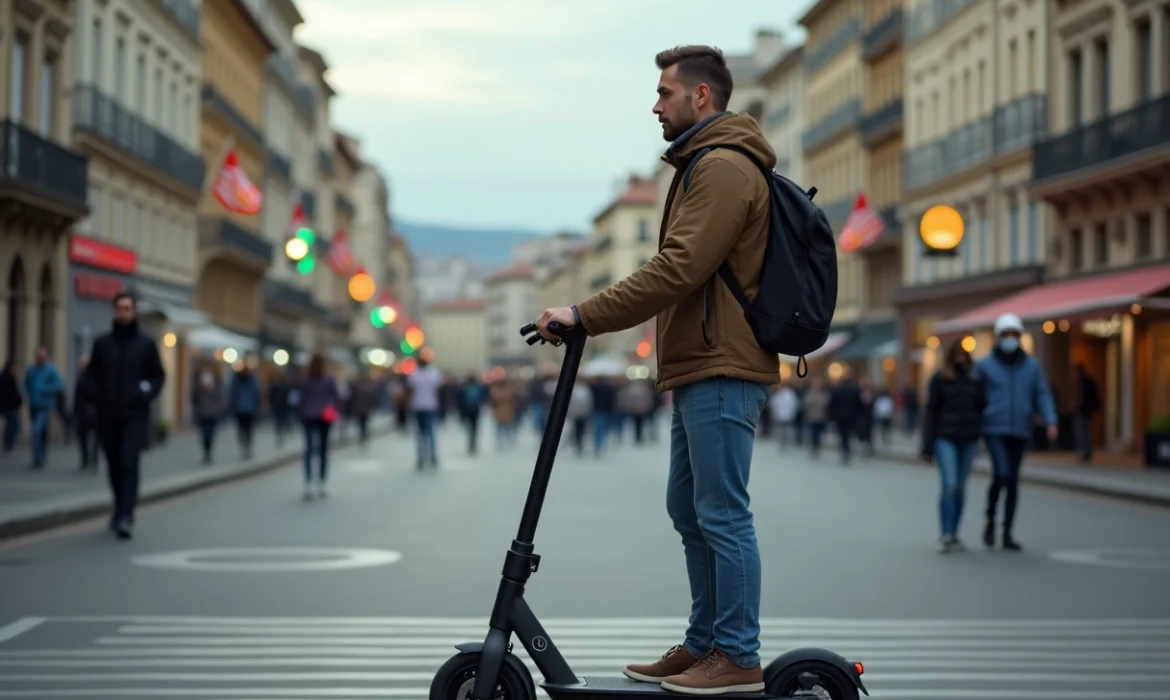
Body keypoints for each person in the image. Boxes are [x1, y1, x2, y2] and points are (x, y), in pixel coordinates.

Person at [536, 44, 775, 696]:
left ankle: (739, 655)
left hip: (722, 365)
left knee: (723, 513)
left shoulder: (724, 167)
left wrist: (585, 313)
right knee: (690, 509)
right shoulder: (701, 164)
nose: (655, 102)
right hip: (697, 365)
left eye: (665, 92)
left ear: (702, 97)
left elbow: (678, 268)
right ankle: (705, 644)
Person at [79, 292, 166, 539]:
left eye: (128, 308)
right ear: (113, 311)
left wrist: (145, 393)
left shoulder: (146, 344)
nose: (123, 313)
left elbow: (158, 376)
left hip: (135, 414)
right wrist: (96, 397)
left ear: (134, 311)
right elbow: (90, 376)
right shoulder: (102, 344)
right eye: (119, 308)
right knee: (114, 464)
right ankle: (119, 507)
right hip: (107, 414)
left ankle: (126, 514)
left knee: (129, 461)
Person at [977, 312, 1058, 551]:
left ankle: (1008, 532)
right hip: (994, 428)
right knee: (1001, 474)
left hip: (1020, 429)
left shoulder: (1031, 366)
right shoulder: (985, 366)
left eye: (1014, 334)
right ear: (998, 337)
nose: (1010, 339)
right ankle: (991, 517)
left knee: (1012, 481)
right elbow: (974, 397)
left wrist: (1051, 420)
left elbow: (1042, 394)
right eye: (1006, 334)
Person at [922, 339, 987, 552]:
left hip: (968, 439)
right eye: (957, 354)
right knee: (949, 485)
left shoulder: (975, 380)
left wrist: (980, 435)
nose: (960, 358)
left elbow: (981, 407)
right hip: (945, 438)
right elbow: (930, 413)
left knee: (960, 488)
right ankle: (946, 533)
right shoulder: (939, 380)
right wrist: (927, 446)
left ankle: (955, 533)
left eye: (963, 354)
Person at [297, 353, 340, 500]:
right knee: (322, 450)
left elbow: (301, 400)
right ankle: (321, 483)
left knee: (309, 449)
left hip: (309, 416)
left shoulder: (306, 379)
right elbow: (336, 398)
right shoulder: (329, 379)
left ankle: (308, 484)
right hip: (324, 417)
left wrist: (300, 414)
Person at [24, 346, 65, 469]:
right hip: (34, 405)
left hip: (45, 406)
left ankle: (38, 458)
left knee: (37, 430)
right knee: (39, 432)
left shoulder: (50, 370)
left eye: (43, 356)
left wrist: (45, 390)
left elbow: (59, 385)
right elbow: (26, 384)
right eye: (39, 356)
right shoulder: (31, 370)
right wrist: (28, 395)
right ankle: (39, 455)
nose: (40, 358)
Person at [406, 354, 442, 469]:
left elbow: (410, 389)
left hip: (422, 406)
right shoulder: (433, 373)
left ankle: (423, 457)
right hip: (427, 406)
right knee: (428, 433)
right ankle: (429, 456)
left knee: (422, 434)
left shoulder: (415, 374)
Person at [229, 365, 260, 460]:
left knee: (245, 430)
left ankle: (246, 446)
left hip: (244, 409)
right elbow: (256, 394)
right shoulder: (249, 381)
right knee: (246, 430)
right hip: (246, 409)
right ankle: (246, 446)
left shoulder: (240, 381)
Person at [1073, 363, 1100, 462]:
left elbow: (1084, 398)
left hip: (1085, 410)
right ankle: (1086, 451)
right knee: (1083, 430)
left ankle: (1086, 452)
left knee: (1081, 430)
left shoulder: (1085, 382)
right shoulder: (1084, 381)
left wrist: (1078, 407)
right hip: (1086, 409)